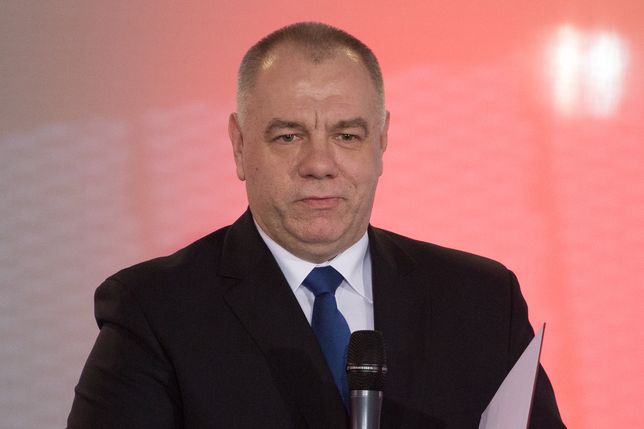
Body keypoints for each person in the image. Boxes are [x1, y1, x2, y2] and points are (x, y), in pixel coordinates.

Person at [67, 22, 565, 428]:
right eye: (288, 136)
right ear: (239, 146)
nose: (319, 164)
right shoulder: (155, 312)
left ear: (381, 143)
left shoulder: (483, 300)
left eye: (347, 136)